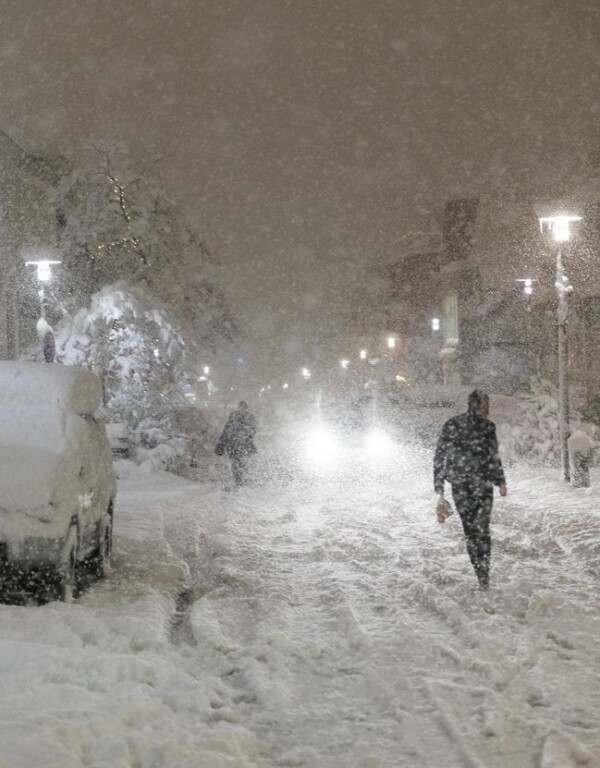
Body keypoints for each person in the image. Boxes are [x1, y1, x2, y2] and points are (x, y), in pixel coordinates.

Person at [433, 389, 507, 590]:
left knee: (470, 529)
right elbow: (492, 456)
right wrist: (500, 481)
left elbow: (440, 455)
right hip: (482, 486)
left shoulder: (452, 424)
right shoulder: (486, 427)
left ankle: (479, 568)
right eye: (486, 405)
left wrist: (439, 485)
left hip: (461, 486)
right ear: (481, 405)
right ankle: (484, 574)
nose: (488, 409)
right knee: (482, 529)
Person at [215, 401, 257, 487]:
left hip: (236, 445)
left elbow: (226, 431)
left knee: (238, 462)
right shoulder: (245, 417)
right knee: (240, 462)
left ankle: (240, 480)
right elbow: (252, 431)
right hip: (241, 445)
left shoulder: (235, 417)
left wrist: (222, 443)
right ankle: (241, 480)